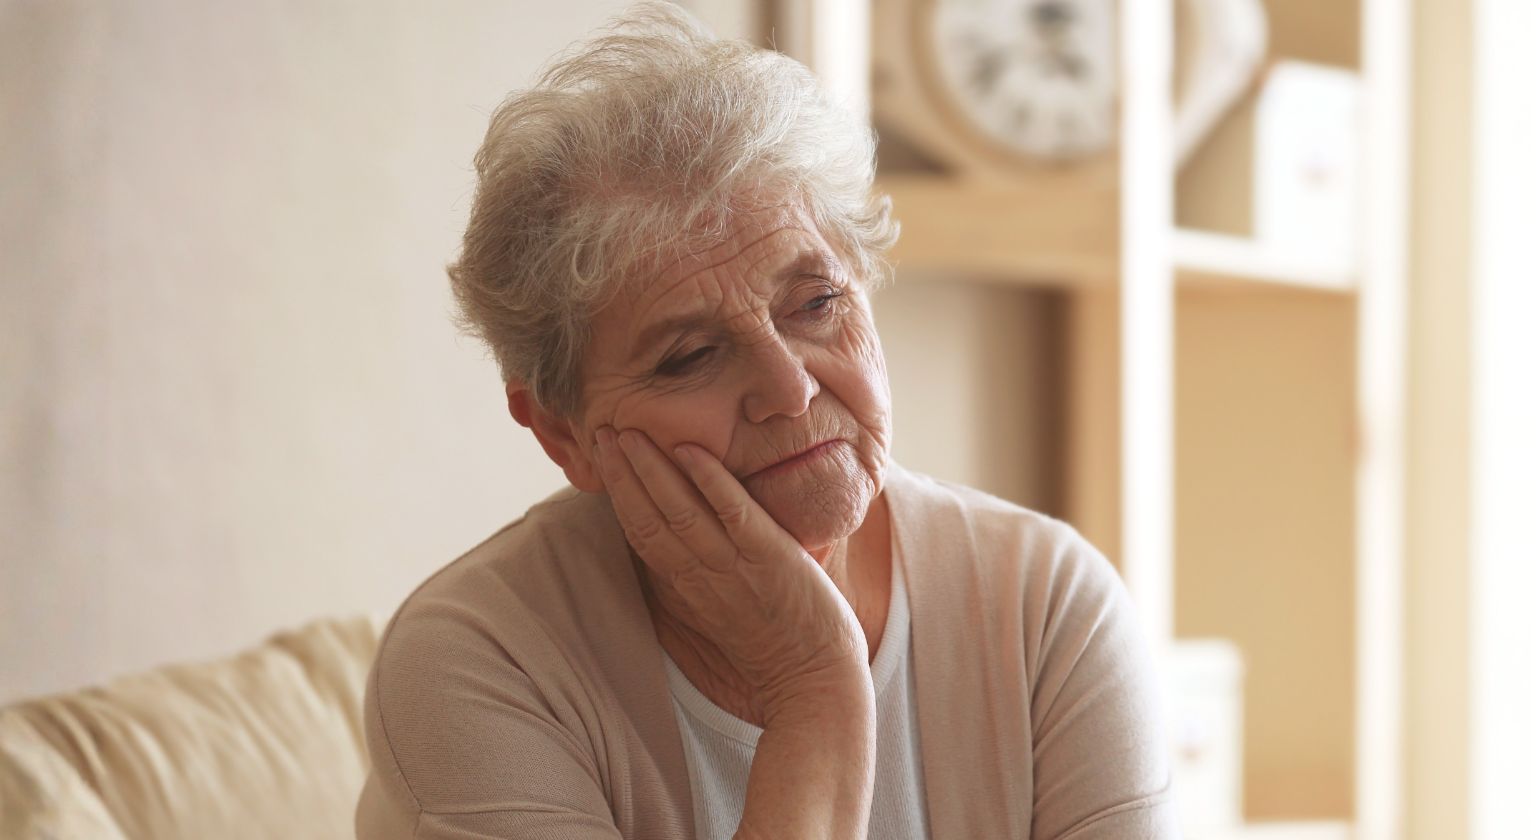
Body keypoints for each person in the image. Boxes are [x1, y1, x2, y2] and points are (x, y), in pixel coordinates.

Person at [355, 4, 1177, 839]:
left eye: (816, 303)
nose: (789, 389)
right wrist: (814, 689)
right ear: (562, 432)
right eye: (689, 356)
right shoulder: (478, 664)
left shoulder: (1044, 609)